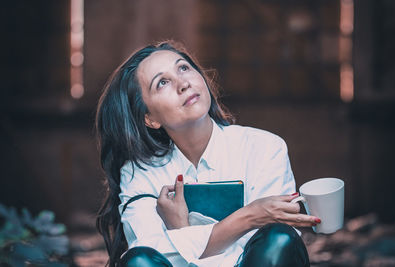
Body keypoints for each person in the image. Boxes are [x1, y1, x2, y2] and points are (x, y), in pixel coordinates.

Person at [96, 41, 320, 267]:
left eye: (183, 68)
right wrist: (249, 217)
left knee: (279, 239)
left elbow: (268, 254)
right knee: (138, 263)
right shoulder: (140, 173)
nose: (183, 83)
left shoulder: (264, 147)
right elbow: (148, 252)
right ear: (150, 118)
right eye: (162, 82)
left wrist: (181, 233)